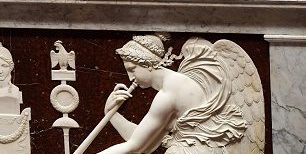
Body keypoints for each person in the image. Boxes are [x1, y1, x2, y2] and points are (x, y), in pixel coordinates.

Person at [96, 34, 249, 154]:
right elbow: (147, 145)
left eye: (132, 69)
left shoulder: (168, 94)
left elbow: (135, 146)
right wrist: (111, 114)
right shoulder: (178, 82)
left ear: (147, 63)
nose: (130, 77)